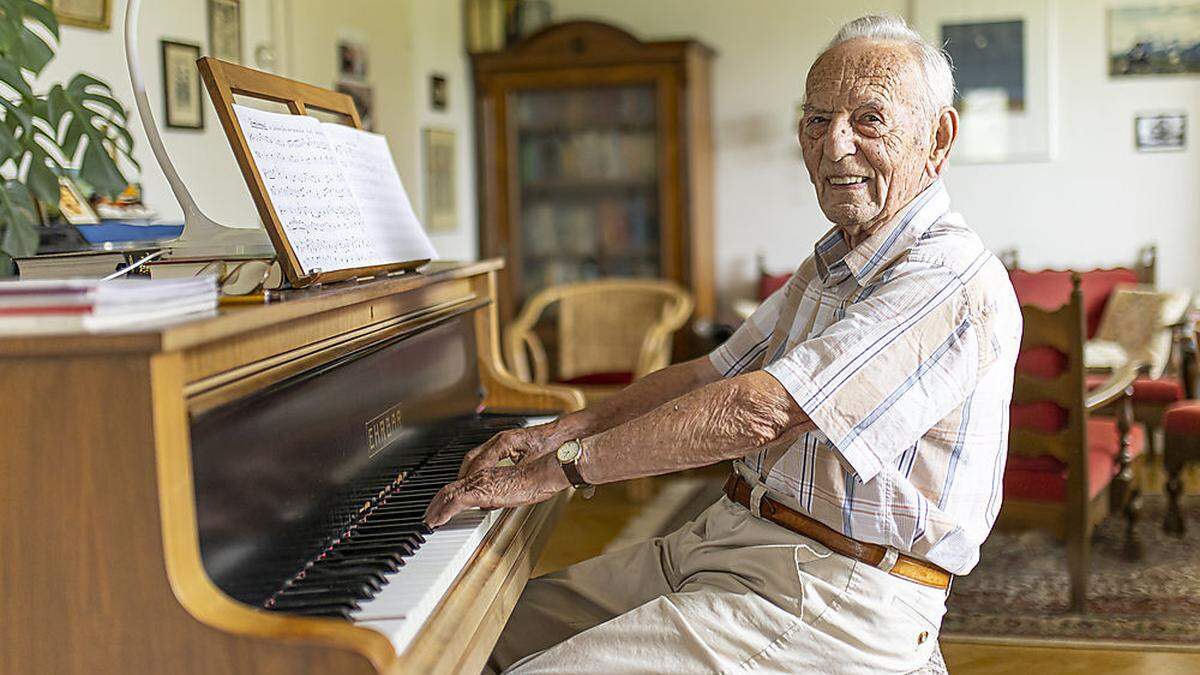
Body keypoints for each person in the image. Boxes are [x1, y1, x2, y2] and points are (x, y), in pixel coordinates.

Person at [424, 13, 1021, 674]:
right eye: (817, 120)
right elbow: (709, 375)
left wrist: (556, 468)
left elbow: (761, 409)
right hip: (731, 537)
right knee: (471, 638)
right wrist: (559, 430)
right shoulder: (831, 264)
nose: (834, 145)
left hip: (838, 594)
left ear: (938, 137)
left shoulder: (948, 278)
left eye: (868, 119)